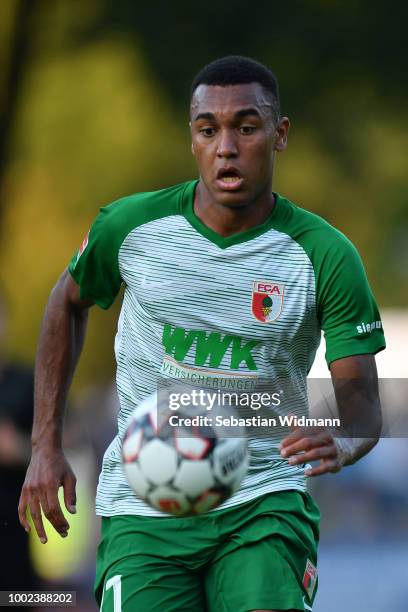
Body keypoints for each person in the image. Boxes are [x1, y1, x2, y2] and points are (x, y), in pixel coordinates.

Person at [19, 56, 385, 611]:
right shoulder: (131, 227)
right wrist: (45, 445)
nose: (226, 147)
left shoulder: (325, 255)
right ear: (192, 139)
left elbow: (362, 403)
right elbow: (66, 303)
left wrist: (343, 435)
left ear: (278, 134)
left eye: (246, 126)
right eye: (208, 130)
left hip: (263, 502)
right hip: (146, 504)